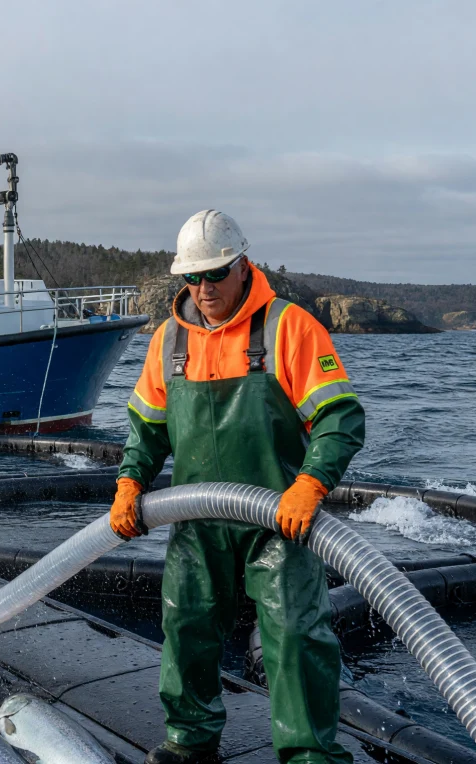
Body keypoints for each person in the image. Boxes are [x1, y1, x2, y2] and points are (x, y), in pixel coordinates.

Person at [111, 210, 365, 764]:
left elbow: (340, 418)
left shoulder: (288, 327)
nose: (203, 289)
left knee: (296, 636)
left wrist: (309, 484)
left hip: (277, 520)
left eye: (215, 274)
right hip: (197, 521)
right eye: (192, 278)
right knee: (186, 622)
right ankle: (190, 741)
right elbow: (148, 427)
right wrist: (131, 480)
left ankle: (309, 758)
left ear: (242, 264)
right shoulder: (168, 340)